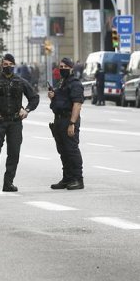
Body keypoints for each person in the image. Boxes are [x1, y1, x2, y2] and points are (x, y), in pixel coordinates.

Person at [0, 54, 40, 192]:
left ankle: (8, 183)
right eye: (5, 64)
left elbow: (34, 98)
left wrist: (27, 110)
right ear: (1, 65)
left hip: (15, 122)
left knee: (14, 153)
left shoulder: (21, 81)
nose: (8, 67)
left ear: (14, 65)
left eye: (10, 64)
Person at [48, 57, 84, 190]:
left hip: (68, 119)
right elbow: (59, 101)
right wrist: (53, 96)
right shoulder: (62, 83)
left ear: (71, 68)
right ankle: (67, 178)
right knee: (63, 151)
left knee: (72, 150)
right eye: (61, 67)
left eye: (65, 67)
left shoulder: (75, 84)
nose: (62, 69)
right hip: (58, 120)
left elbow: (77, 104)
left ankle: (78, 179)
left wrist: (72, 123)